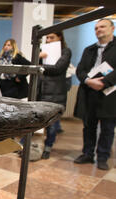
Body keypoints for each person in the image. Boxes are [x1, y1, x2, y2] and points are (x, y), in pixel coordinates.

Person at [73, 18, 116, 171]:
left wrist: (104, 82)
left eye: (103, 26)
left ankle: (103, 157)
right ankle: (87, 154)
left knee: (107, 128)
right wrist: (88, 81)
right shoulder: (89, 49)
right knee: (88, 126)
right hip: (89, 93)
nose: (99, 30)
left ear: (112, 28)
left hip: (109, 95)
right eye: (96, 28)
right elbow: (80, 70)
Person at [37, 31, 72, 160]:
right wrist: (38, 58)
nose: (49, 40)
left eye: (52, 37)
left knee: (52, 125)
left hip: (56, 93)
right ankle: (27, 146)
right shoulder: (40, 52)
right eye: (47, 38)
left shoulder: (66, 51)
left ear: (60, 37)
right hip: (40, 91)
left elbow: (58, 68)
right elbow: (32, 66)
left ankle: (48, 147)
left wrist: (40, 66)